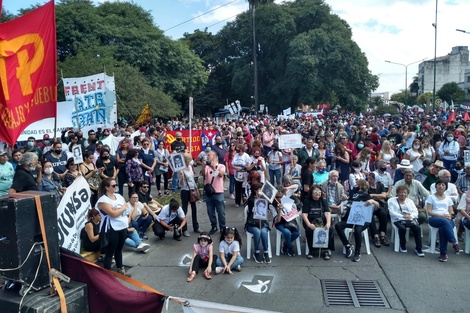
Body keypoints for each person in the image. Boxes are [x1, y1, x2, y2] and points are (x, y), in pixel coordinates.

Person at [335, 179, 380, 262]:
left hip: (363, 220)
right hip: (351, 219)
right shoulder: (353, 194)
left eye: (357, 184)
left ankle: (357, 252)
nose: (355, 184)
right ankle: (347, 246)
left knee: (358, 230)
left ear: (360, 186)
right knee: (338, 226)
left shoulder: (366, 195)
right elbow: (348, 203)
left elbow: (377, 205)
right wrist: (345, 200)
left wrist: (372, 201)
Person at [96, 178, 131, 276]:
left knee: (119, 249)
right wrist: (121, 208)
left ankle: (120, 268)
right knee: (110, 251)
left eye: (116, 185)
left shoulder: (119, 196)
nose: (115, 187)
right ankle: (107, 273)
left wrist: (118, 210)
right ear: (107, 187)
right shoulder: (103, 200)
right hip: (111, 227)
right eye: (113, 185)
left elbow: (126, 210)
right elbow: (113, 214)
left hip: (122, 225)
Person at [426, 178, 461, 262]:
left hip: (447, 219)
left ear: (446, 187)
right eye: (439, 184)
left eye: (443, 185)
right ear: (436, 186)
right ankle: (454, 242)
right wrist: (441, 215)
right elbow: (430, 212)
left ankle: (443, 253)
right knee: (444, 222)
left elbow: (451, 211)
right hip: (434, 218)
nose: (441, 186)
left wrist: (450, 216)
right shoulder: (431, 197)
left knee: (443, 227)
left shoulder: (448, 198)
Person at [388, 186, 424, 256]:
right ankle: (402, 245)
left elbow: (415, 211)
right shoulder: (392, 201)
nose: (403, 194)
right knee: (402, 228)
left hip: (409, 219)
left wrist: (411, 216)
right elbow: (391, 212)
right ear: (397, 193)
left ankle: (418, 248)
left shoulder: (410, 201)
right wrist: (402, 216)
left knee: (417, 228)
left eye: (405, 193)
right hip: (398, 219)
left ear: (407, 194)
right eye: (401, 192)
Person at [302, 185, 334, 260]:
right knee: (309, 230)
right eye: (315, 192)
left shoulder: (323, 200)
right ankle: (311, 250)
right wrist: (309, 224)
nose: (318, 193)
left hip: (322, 221)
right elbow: (304, 214)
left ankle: (325, 250)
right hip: (311, 221)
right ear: (311, 193)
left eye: (319, 192)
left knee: (329, 230)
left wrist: (328, 223)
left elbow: (327, 213)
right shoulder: (307, 201)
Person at [245, 182, 271, 264]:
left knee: (263, 232)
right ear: (255, 191)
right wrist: (259, 197)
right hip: (252, 223)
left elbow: (269, 204)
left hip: (262, 222)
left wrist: (266, 198)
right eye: (260, 190)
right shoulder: (251, 199)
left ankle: (266, 251)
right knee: (257, 231)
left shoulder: (264, 198)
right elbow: (254, 205)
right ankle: (256, 251)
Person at [273, 187, 300, 257]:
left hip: (289, 221)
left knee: (297, 233)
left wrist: (292, 213)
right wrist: (279, 210)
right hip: (280, 223)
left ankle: (286, 244)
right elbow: (277, 220)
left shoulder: (286, 200)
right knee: (287, 232)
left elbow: (296, 186)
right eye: (276, 197)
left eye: (280, 197)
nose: (278, 199)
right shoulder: (272, 205)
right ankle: (290, 248)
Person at [205, 150, 226, 234]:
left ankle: (222, 227)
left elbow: (221, 174)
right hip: (208, 192)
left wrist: (213, 167)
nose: (207, 157)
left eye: (209, 155)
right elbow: (203, 174)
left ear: (214, 156)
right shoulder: (207, 167)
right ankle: (214, 226)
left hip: (218, 192)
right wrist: (204, 166)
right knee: (210, 211)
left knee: (221, 212)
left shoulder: (221, 166)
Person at [179, 153, 201, 235]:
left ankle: (196, 227)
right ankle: (184, 229)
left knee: (194, 208)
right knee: (184, 209)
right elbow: (180, 184)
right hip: (185, 190)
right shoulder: (181, 169)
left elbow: (192, 178)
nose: (191, 160)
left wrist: (196, 188)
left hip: (192, 189)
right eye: (189, 159)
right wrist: (182, 178)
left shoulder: (190, 168)